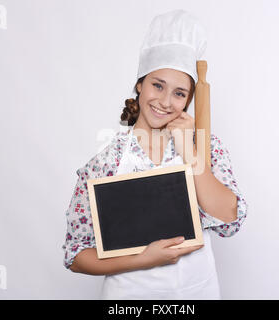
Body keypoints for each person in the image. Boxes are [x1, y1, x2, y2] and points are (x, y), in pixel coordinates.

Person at [62, 9, 248, 300]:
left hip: (198, 294)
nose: (165, 102)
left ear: (189, 99)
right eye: (157, 85)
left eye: (179, 93)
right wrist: (146, 259)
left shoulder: (205, 145)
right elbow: (75, 255)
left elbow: (229, 219)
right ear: (139, 84)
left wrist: (189, 150)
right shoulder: (106, 163)